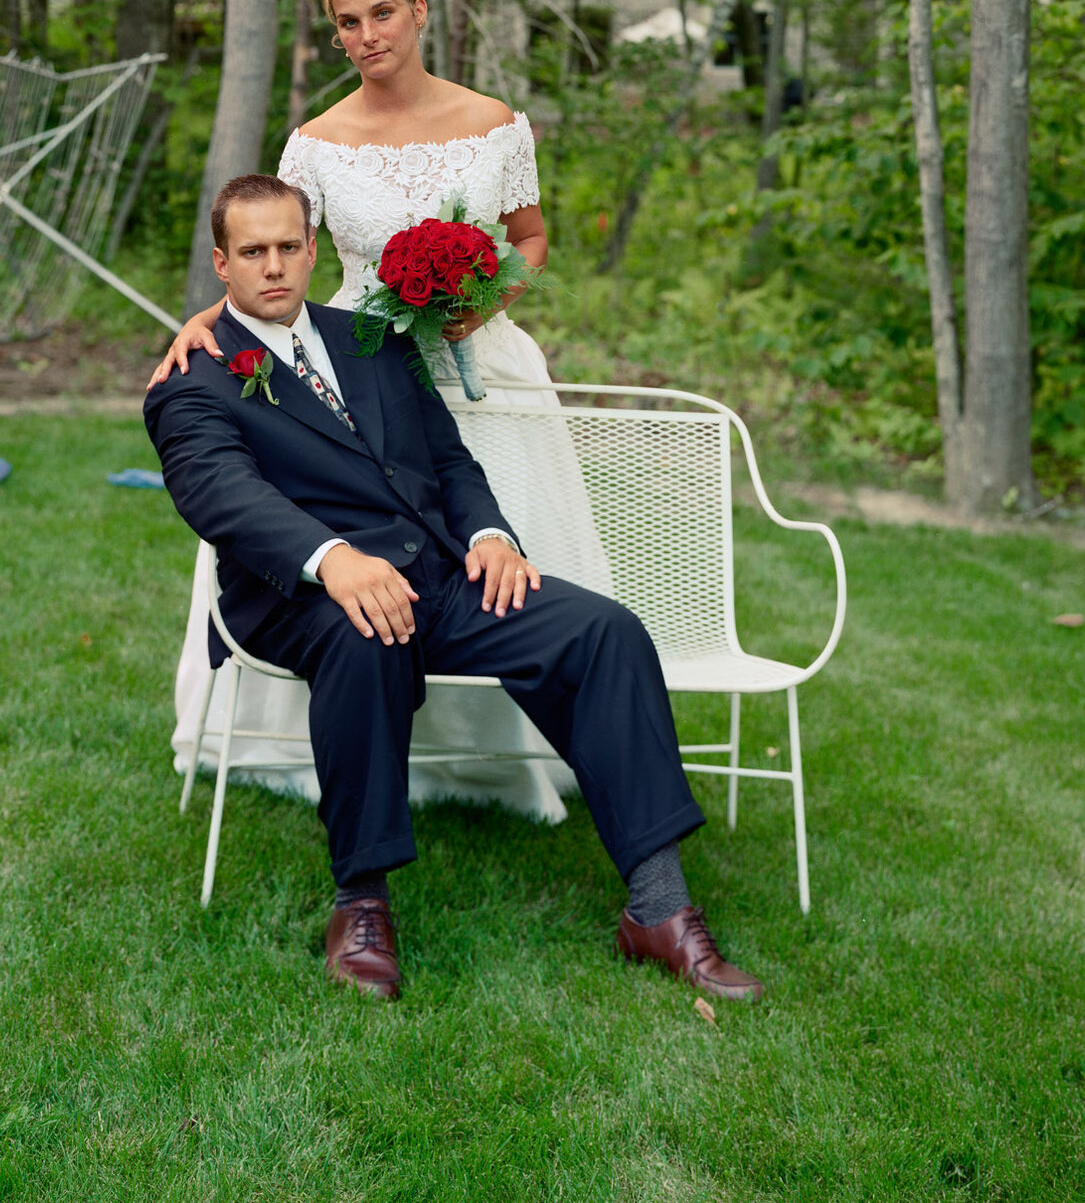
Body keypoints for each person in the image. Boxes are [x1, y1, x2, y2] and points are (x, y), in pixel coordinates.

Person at [146, 172, 762, 1003]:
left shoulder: (373, 338)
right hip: (299, 596)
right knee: (365, 634)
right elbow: (220, 493)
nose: (275, 266)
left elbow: (447, 460)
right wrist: (332, 559)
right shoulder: (197, 374)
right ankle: (361, 902)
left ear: (313, 248)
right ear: (222, 263)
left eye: (290, 246)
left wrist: (489, 535)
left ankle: (658, 908)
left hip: (437, 574)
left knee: (602, 631)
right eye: (253, 252)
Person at [159, 0, 612, 819]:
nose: (367, 35)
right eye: (347, 22)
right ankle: (354, 743)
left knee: (497, 556)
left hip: (482, 371)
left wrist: (484, 299)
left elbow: (530, 238)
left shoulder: (494, 121)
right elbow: (272, 251)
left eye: (382, 15)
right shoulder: (317, 142)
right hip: (357, 369)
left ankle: (509, 758)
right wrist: (199, 320)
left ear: (419, 13)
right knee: (355, 558)